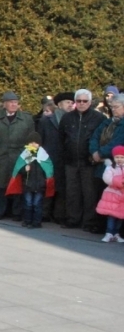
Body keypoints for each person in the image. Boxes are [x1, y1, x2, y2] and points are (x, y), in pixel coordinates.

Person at [58, 88, 106, 230]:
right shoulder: (67, 118)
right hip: (71, 161)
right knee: (72, 192)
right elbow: (61, 139)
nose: (81, 103)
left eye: (85, 101)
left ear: (90, 102)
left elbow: (101, 138)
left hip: (89, 162)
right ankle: (73, 219)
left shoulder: (99, 118)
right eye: (78, 101)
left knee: (89, 193)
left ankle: (89, 222)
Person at [0, 91, 35, 220]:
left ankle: (17, 212)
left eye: (16, 102)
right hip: (0, 156)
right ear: (5, 104)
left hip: (19, 155)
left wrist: (29, 157)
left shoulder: (27, 119)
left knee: (17, 184)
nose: (14, 105)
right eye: (11, 102)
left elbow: (32, 139)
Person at [4, 132, 54, 228]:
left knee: (37, 204)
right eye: (31, 143)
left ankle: (37, 222)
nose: (33, 145)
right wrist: (24, 169)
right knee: (28, 204)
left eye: (36, 143)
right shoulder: (26, 154)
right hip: (27, 185)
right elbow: (19, 169)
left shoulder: (43, 155)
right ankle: (27, 221)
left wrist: (46, 180)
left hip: (39, 185)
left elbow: (48, 169)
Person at [37, 92, 72, 223]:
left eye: (71, 103)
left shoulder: (72, 119)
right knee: (47, 185)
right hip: (49, 157)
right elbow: (40, 139)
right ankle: (44, 213)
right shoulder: (46, 120)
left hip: (65, 158)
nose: (70, 105)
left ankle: (59, 215)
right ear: (59, 104)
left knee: (62, 188)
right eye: (67, 102)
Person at [96, 146, 124, 243]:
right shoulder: (110, 167)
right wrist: (119, 182)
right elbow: (107, 178)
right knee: (111, 215)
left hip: (122, 196)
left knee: (120, 216)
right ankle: (109, 232)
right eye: (117, 157)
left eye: (121, 157)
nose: (119, 159)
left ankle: (116, 233)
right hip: (113, 195)